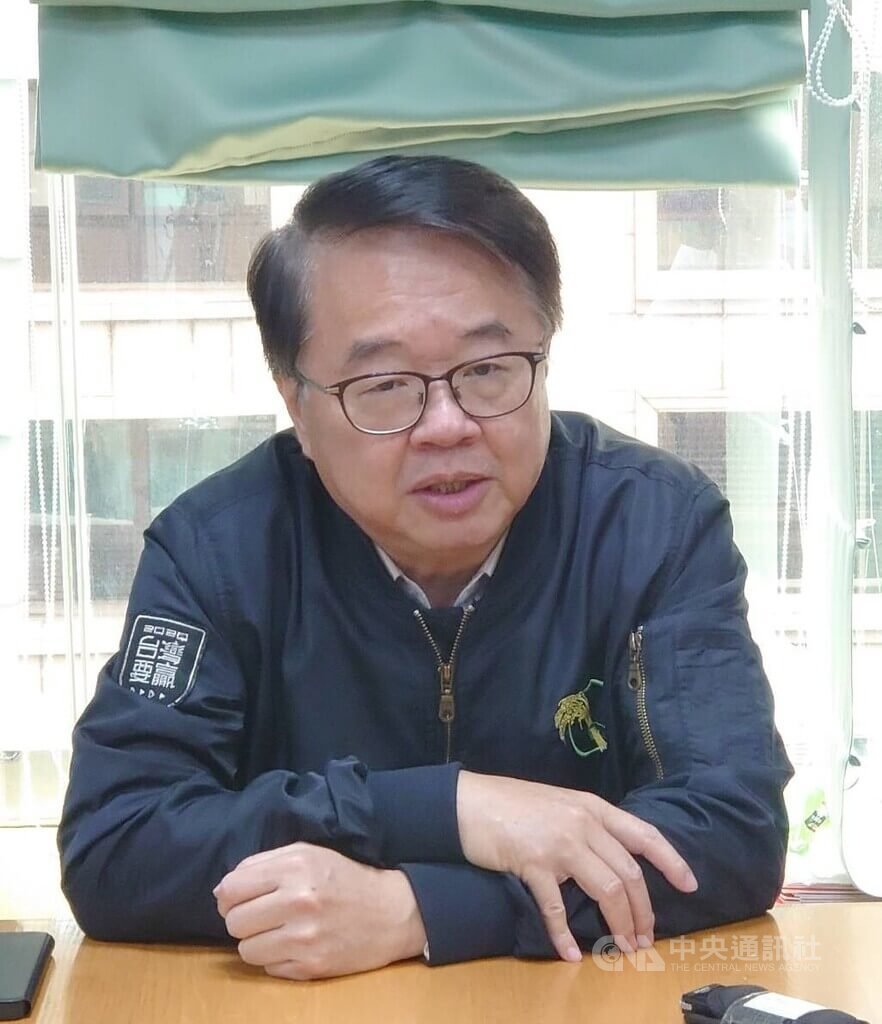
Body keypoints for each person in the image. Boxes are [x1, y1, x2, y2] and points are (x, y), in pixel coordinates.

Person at [59, 155, 792, 980]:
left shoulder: (654, 525)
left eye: (487, 370)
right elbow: (119, 843)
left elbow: (730, 830)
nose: (447, 425)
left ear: (544, 358)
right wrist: (448, 808)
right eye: (385, 385)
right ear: (296, 401)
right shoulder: (216, 552)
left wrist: (422, 909)